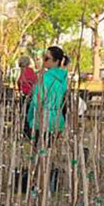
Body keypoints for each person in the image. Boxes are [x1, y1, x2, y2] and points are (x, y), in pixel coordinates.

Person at [27, 45, 70, 190]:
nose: (44, 62)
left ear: (56, 61)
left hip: (42, 118)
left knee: (38, 153)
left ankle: (37, 183)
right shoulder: (63, 79)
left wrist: (30, 119)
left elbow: (36, 101)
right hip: (57, 120)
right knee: (48, 152)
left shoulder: (45, 78)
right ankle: (46, 182)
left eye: (47, 59)